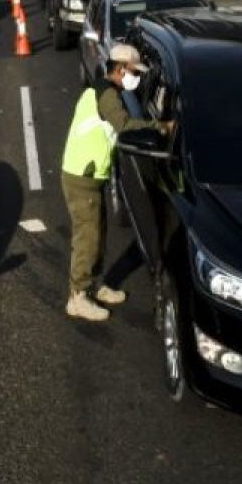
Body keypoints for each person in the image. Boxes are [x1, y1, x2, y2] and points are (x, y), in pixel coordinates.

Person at [60, 45, 174, 321]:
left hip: (89, 175)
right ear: (121, 68)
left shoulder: (102, 87)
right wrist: (161, 127)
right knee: (87, 238)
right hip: (82, 177)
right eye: (135, 71)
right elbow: (123, 125)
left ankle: (94, 287)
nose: (137, 77)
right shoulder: (108, 95)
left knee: (97, 235)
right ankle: (77, 297)